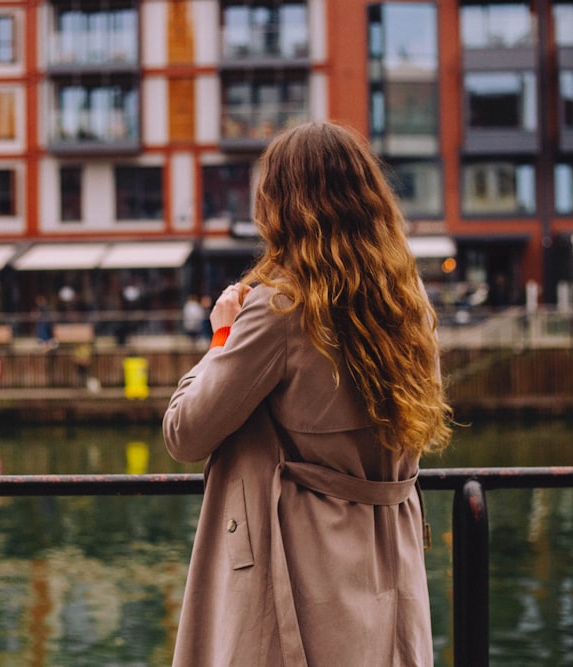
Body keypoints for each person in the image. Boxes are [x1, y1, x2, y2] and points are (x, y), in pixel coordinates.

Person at [163, 122, 452, 666]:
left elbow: (184, 432)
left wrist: (222, 336)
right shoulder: (407, 307)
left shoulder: (280, 310)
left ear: (280, 206)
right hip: (391, 553)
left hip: (303, 567)